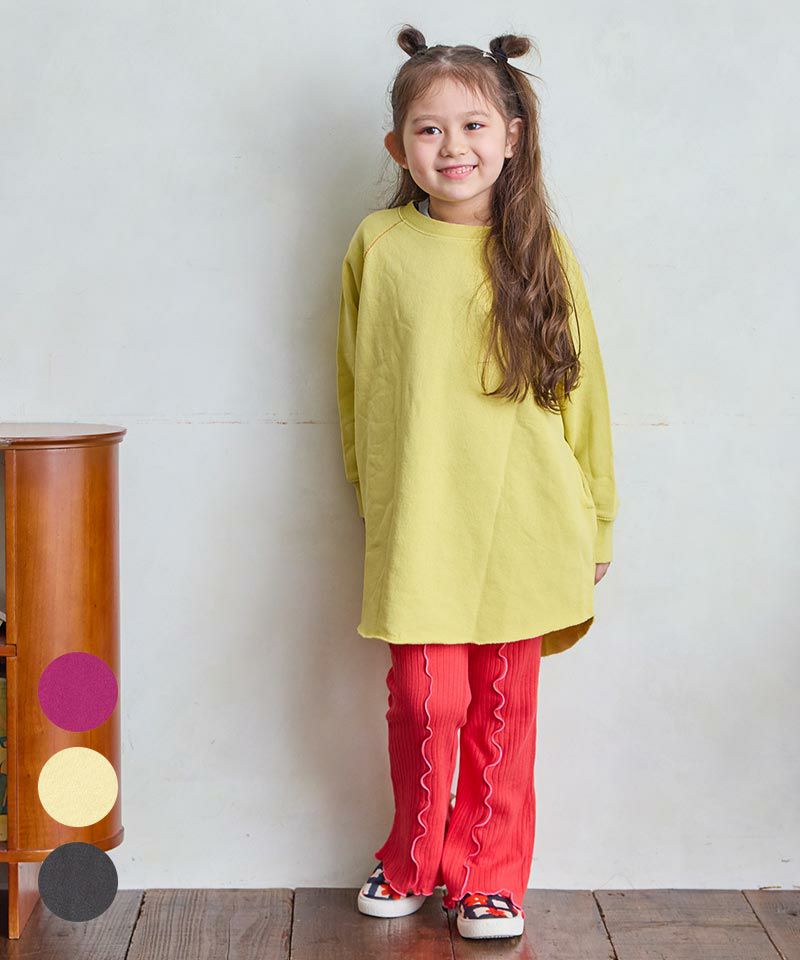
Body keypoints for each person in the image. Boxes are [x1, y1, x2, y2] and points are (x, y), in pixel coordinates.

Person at [335, 24, 619, 941]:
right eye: (429, 129)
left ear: (512, 136)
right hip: (422, 522)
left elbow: (584, 398)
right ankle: (411, 856)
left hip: (527, 521)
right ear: (397, 146)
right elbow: (357, 385)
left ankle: (489, 879)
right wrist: (375, 500)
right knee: (429, 700)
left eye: (472, 125)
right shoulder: (379, 246)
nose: (451, 147)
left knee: (503, 708)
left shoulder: (542, 251)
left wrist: (596, 523)